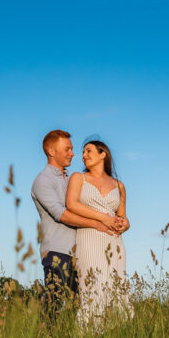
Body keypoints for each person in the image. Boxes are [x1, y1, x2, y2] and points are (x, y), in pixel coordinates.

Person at [31, 130, 122, 317]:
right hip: (57, 251)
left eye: (72, 149)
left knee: (82, 307)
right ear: (51, 151)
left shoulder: (71, 178)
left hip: (80, 253)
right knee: (52, 308)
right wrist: (97, 223)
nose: (73, 153)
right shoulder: (43, 181)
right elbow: (62, 214)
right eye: (67, 149)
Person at [64, 139, 132, 327]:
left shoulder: (119, 186)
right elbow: (71, 204)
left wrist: (124, 225)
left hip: (114, 242)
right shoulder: (78, 178)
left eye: (88, 151)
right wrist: (103, 218)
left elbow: (123, 218)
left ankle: (116, 337)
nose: (84, 155)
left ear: (103, 154)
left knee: (117, 289)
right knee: (93, 289)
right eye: (83, 152)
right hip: (88, 238)